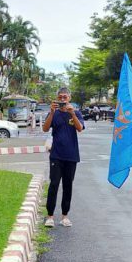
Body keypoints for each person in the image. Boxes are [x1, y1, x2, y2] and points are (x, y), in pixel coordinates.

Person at [43, 87, 85, 227]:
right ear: (57, 98)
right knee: (54, 184)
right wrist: (51, 112)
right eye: (60, 97)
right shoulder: (53, 113)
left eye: (65, 97)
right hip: (56, 155)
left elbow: (79, 129)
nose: (62, 100)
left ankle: (65, 216)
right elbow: (45, 128)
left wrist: (72, 113)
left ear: (69, 98)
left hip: (71, 156)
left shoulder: (76, 113)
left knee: (68, 186)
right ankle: (49, 216)